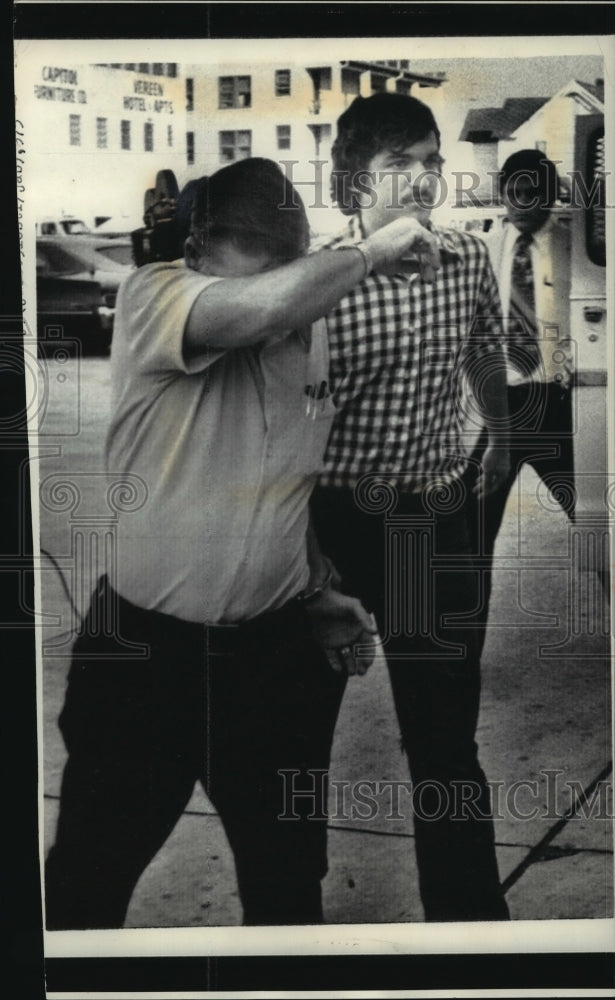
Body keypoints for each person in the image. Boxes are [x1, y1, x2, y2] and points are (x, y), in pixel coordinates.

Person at [44, 157, 443, 929]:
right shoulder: (154, 295)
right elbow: (260, 309)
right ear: (199, 250)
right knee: (87, 887)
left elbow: (280, 481)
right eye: (271, 268)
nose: (295, 297)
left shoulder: (300, 326)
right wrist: (379, 245)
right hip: (145, 662)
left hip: (270, 659)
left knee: (288, 885)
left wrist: (312, 584)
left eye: (297, 267)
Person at [310, 93, 511, 921]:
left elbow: (488, 353)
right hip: (327, 529)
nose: (425, 179)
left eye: (431, 159)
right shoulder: (317, 280)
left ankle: (471, 932)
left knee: (444, 745)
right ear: (353, 182)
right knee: (295, 741)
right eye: (401, 166)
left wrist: (499, 435)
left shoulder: (467, 257)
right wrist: (303, 554)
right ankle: (288, 929)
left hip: (433, 521)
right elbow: (280, 424)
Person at [465, 150, 575, 657]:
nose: (527, 203)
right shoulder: (486, 245)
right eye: (517, 192)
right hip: (503, 407)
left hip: (563, 404)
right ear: (503, 193)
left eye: (537, 192)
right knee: (469, 531)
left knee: (600, 522)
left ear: (554, 192)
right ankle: (462, 643)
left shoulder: (577, 242)